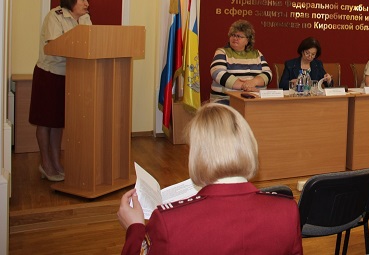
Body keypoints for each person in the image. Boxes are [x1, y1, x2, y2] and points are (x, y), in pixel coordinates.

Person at [118, 103, 303, 255]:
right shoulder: (287, 210)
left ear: (196, 154)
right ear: (249, 146)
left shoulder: (169, 221)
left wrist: (135, 229)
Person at [29, 0, 91, 182]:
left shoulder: (85, 19)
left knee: (57, 122)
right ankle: (45, 163)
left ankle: (56, 162)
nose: (87, 3)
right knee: (45, 120)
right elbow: (54, 47)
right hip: (49, 74)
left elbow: (90, 43)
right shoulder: (54, 16)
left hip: (70, 75)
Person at [210, 19, 272, 102]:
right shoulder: (222, 52)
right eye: (233, 35)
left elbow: (268, 74)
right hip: (226, 99)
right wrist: (244, 86)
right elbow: (218, 73)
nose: (235, 38)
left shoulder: (257, 54)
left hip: (254, 99)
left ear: (247, 40)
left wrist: (253, 82)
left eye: (239, 36)